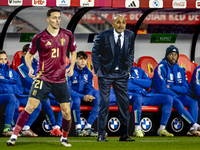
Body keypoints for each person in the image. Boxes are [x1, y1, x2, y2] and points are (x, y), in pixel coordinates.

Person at [7, 8, 77, 147]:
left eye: (59, 18)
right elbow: (29, 55)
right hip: (43, 78)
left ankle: (64, 138)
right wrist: (31, 68)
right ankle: (14, 136)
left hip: (61, 79)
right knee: (30, 106)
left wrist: (72, 67)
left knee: (67, 112)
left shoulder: (68, 34)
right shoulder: (39, 37)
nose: (57, 20)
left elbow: (73, 52)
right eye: (54, 18)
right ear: (48, 19)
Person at [92, 15, 135, 142]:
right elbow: (94, 52)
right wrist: (99, 70)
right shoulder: (104, 35)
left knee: (124, 105)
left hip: (122, 75)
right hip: (105, 74)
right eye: (118, 22)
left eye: (123, 22)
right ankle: (101, 135)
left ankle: (124, 135)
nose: (121, 25)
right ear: (113, 24)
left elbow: (131, 52)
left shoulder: (130, 35)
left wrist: (128, 69)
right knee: (104, 104)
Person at [110, 66, 174, 137]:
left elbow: (148, 83)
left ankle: (162, 129)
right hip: (129, 95)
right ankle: (137, 129)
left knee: (168, 98)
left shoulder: (139, 70)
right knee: (138, 97)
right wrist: (140, 83)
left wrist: (133, 79)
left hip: (144, 95)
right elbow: (125, 85)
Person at [151, 45, 200, 136]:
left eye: (175, 55)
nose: (173, 57)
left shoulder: (181, 69)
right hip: (164, 96)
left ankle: (191, 130)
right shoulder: (160, 68)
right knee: (177, 101)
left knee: (193, 102)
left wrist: (171, 87)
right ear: (166, 55)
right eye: (171, 54)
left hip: (177, 95)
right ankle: (194, 125)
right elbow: (162, 89)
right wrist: (174, 91)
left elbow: (185, 89)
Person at [17, 49, 63, 137]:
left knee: (66, 102)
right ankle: (53, 127)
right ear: (23, 55)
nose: (30, 56)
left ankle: (56, 127)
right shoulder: (21, 67)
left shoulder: (39, 64)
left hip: (44, 91)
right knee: (44, 101)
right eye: (27, 54)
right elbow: (29, 82)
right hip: (30, 93)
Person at [67, 51, 99, 137]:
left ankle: (87, 127)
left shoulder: (88, 72)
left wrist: (89, 95)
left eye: (85, 59)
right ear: (75, 59)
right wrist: (83, 96)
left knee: (99, 98)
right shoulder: (69, 70)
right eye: (80, 59)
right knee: (76, 100)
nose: (83, 61)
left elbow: (89, 87)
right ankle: (78, 128)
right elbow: (68, 90)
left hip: (84, 96)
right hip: (73, 96)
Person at [0, 50, 17, 136]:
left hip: (9, 95)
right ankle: (7, 129)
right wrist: (5, 88)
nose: (3, 61)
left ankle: (19, 128)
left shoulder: (11, 71)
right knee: (11, 98)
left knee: (14, 99)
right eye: (1, 59)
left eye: (5, 59)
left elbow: (19, 86)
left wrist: (9, 86)